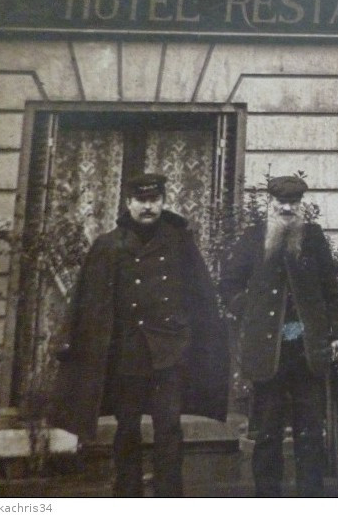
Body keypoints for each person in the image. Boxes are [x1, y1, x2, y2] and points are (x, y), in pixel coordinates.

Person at [50, 173, 229, 497]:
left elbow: (201, 294)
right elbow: (87, 300)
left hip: (169, 353)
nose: (148, 207)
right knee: (127, 427)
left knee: (169, 427)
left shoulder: (180, 243)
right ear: (128, 202)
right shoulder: (108, 245)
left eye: (154, 200)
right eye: (141, 200)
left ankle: (169, 496)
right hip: (127, 354)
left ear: (162, 201)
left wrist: (191, 338)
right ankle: (127, 492)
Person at [220, 175, 338, 497]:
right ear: (270, 203)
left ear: (301, 206)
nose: (287, 208)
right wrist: (249, 310)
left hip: (307, 351)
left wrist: (337, 335)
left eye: (293, 203)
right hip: (268, 353)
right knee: (266, 434)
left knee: (310, 434)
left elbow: (332, 289)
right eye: (282, 203)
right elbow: (229, 285)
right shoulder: (252, 238)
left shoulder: (313, 238)